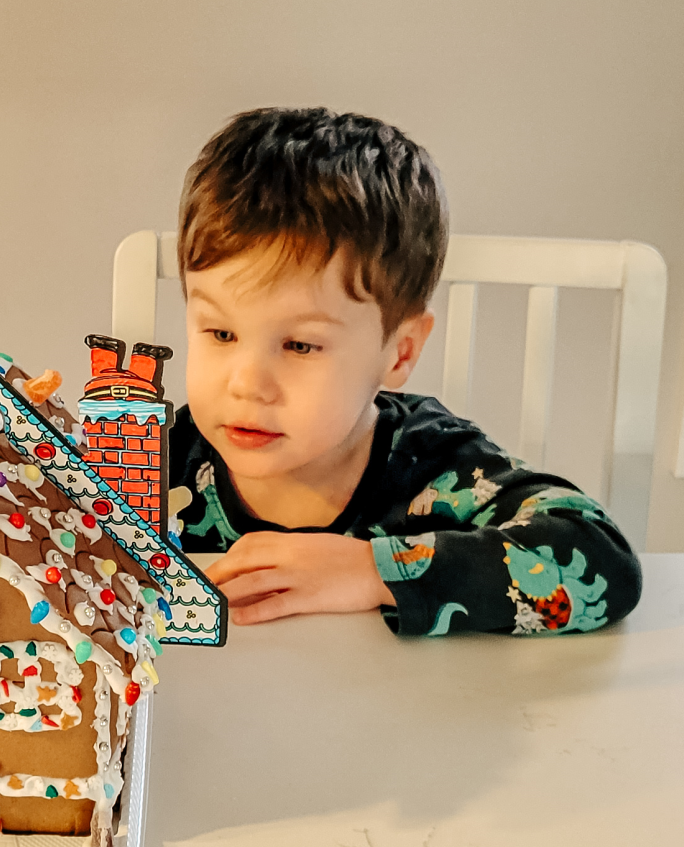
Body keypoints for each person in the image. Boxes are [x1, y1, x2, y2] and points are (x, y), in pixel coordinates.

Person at [169, 107, 641, 636]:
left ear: (399, 353)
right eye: (220, 333)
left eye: (300, 345)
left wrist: (375, 571)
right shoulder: (158, 461)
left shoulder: (438, 471)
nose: (247, 383)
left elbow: (604, 559)